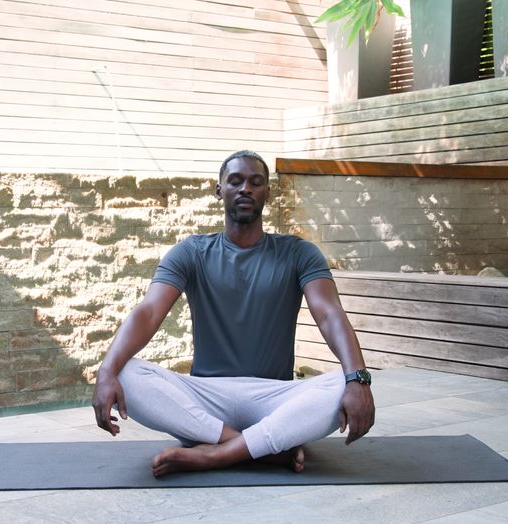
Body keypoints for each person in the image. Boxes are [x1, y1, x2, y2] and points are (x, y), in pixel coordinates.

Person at [92, 150, 375, 477]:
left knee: (346, 380)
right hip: (207, 401)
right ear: (219, 190)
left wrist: (358, 380)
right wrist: (106, 370)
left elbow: (328, 313)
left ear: (267, 193)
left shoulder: (299, 253)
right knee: (126, 373)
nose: (245, 189)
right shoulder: (192, 252)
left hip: (274, 397)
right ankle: (257, 449)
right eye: (235, 181)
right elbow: (149, 311)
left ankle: (214, 455)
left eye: (256, 183)